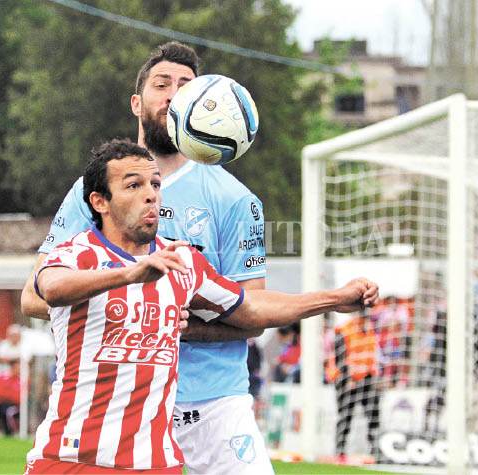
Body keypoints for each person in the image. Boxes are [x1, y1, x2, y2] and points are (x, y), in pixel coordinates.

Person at [24, 138, 378, 473]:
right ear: (100, 201)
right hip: (70, 458)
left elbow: (252, 310)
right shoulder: (75, 253)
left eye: (155, 184)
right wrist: (130, 274)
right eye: (134, 185)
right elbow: (51, 288)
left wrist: (335, 299)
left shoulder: (181, 261)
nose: (150, 195)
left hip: (152, 463)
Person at [20, 41, 275, 473]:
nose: (173, 95)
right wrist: (138, 313)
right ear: (137, 103)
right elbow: (32, 298)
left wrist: (182, 327)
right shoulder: (92, 190)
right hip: (114, 408)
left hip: (212, 401)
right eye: (162, 84)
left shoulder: (235, 199)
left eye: (186, 86)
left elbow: (256, 312)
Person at [325, 313, 381, 462]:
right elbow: (340, 358)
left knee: (373, 414)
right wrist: (348, 378)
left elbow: (371, 355)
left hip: (366, 378)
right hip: (346, 380)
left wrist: (374, 376)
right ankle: (340, 451)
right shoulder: (343, 330)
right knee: (345, 416)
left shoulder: (369, 330)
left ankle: (375, 450)